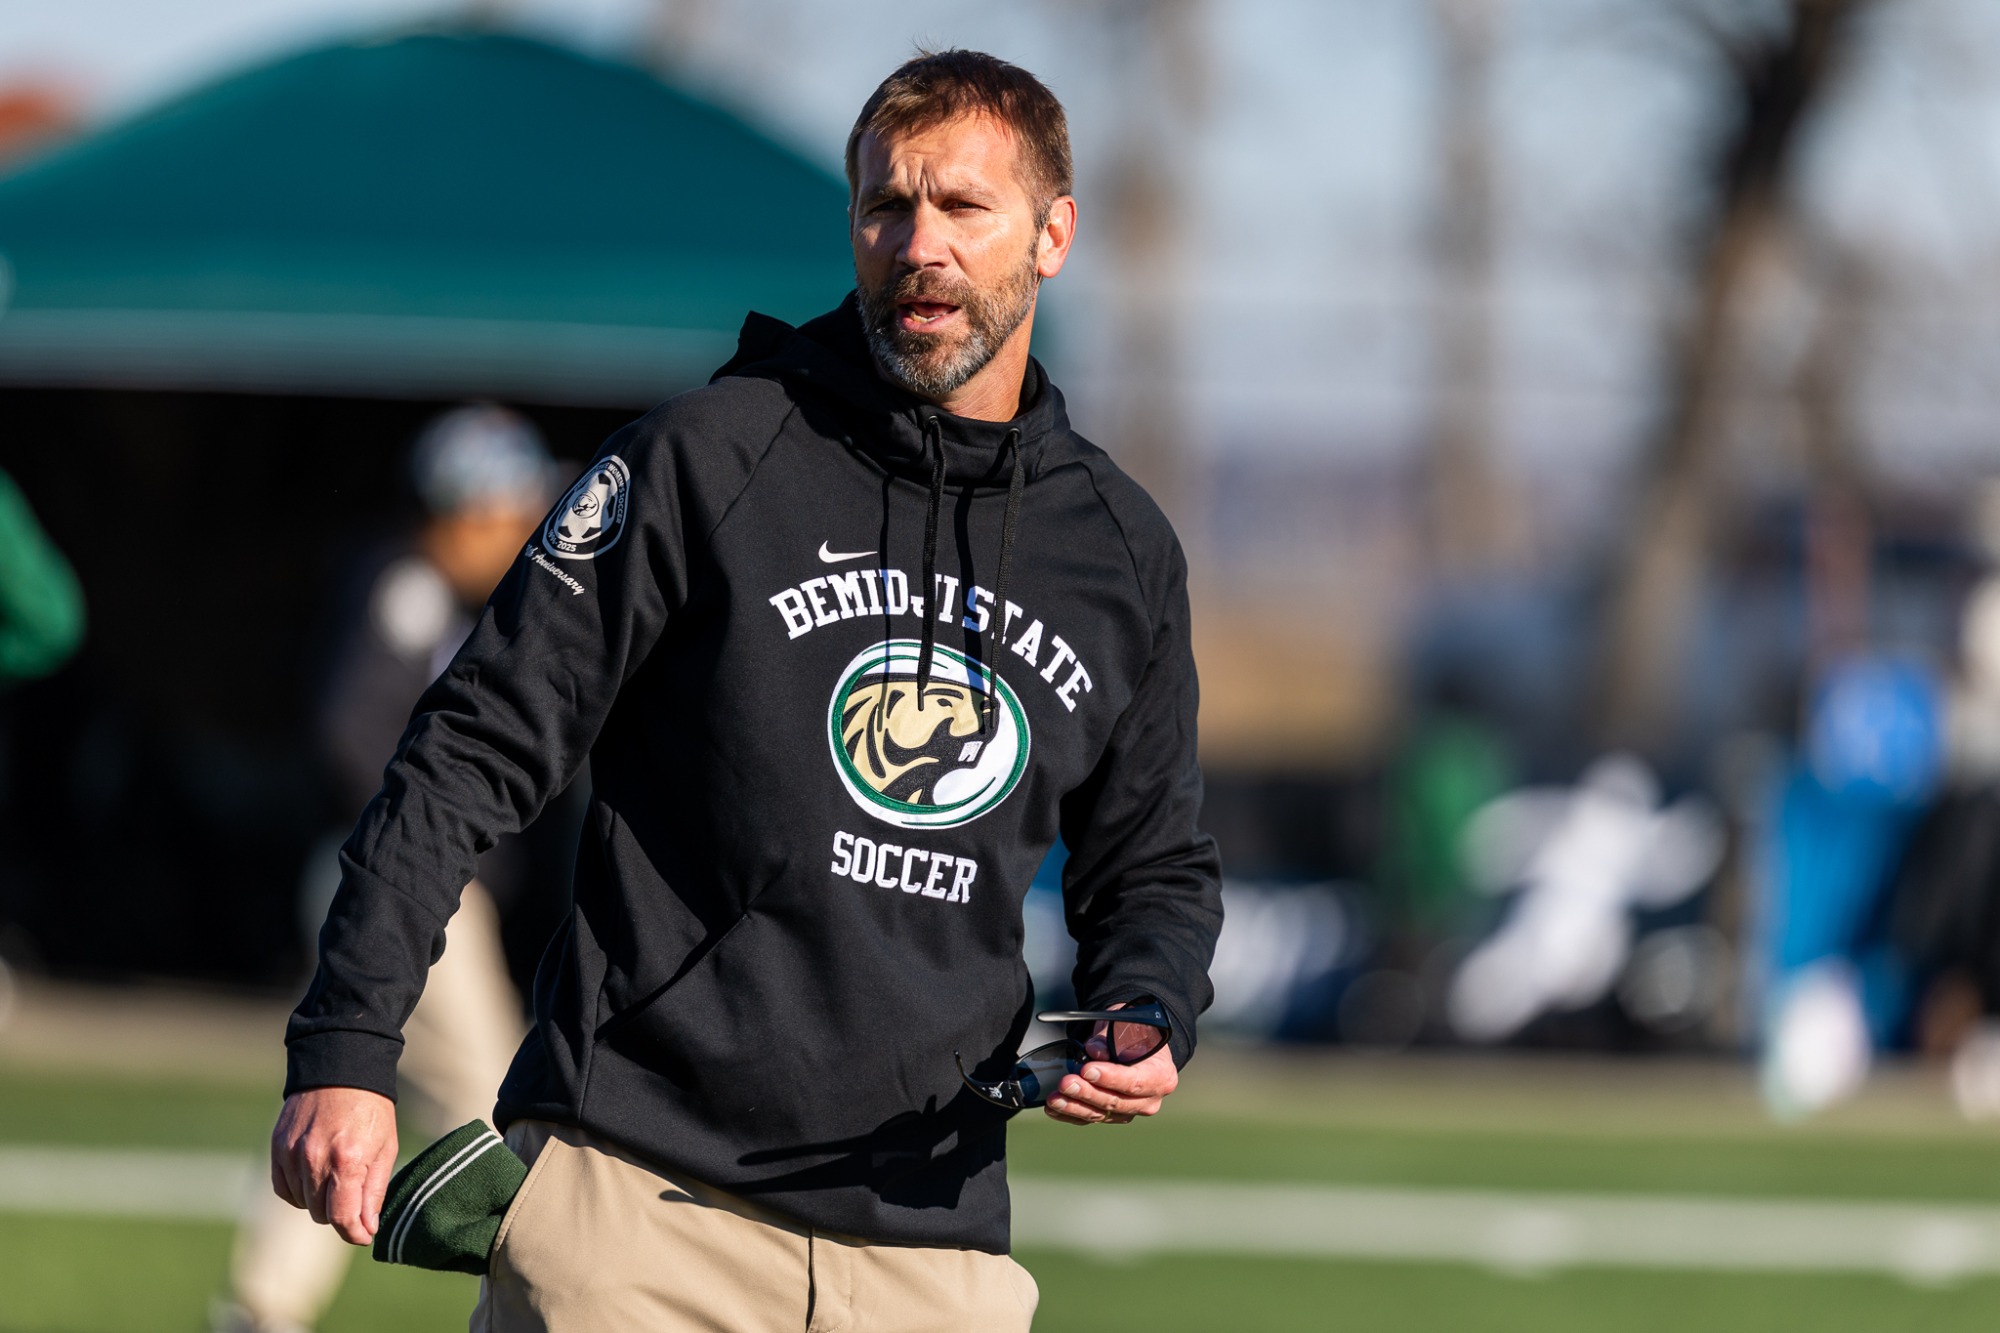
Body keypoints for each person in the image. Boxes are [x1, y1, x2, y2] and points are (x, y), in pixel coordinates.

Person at [272, 50, 1222, 1331]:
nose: (917, 245)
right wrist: (346, 1048)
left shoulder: (1117, 550)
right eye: (886, 207)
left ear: (1051, 235)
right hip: (642, 1212)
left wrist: (1148, 1004)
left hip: (930, 1249)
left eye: (962, 208)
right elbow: (466, 752)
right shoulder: (705, 458)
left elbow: (1154, 860)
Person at [219, 407, 560, 1333]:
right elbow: (348, 734)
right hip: (400, 892)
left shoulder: (460, 600)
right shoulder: (407, 585)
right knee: (498, 1099)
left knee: (334, 1102)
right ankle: (523, 1306)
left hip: (382, 888)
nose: (522, 529)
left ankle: (261, 1306)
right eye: (507, 509)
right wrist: (432, 840)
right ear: (462, 510)